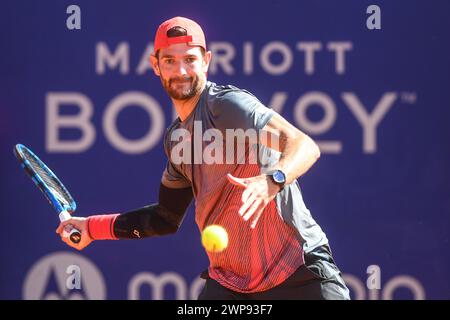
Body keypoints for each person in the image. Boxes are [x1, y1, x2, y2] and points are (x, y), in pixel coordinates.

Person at [57, 16, 350, 300]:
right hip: (231, 285)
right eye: (170, 60)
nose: (181, 71)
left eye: (190, 60)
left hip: (299, 271)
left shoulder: (227, 105)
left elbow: (304, 145)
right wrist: (92, 228)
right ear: (155, 65)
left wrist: (273, 180)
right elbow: (165, 218)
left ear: (206, 61)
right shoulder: (176, 141)